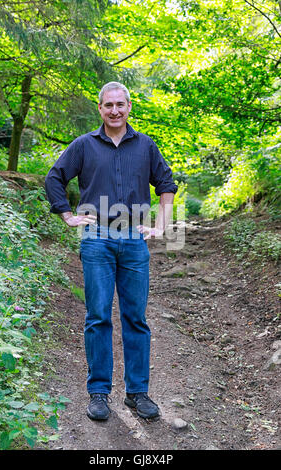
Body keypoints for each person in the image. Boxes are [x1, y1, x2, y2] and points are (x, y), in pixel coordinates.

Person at [45, 81, 178, 421]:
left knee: (136, 318)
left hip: (133, 239)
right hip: (96, 238)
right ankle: (99, 393)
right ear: (100, 108)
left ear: (129, 107)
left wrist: (161, 226)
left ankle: (137, 393)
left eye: (121, 104)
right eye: (109, 105)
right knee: (99, 316)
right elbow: (54, 178)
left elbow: (166, 184)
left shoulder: (146, 146)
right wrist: (68, 215)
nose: (115, 110)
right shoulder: (84, 145)